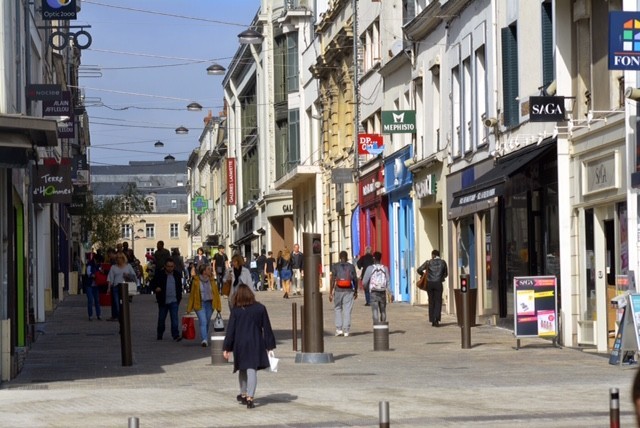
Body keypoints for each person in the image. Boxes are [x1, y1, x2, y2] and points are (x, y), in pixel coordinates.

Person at [222, 283, 276, 409]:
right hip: (256, 342)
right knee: (252, 369)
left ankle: (243, 393)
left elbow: (231, 331)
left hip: (240, 343)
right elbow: (267, 328)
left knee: (242, 368)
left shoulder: (236, 311)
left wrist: (227, 348)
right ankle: (250, 397)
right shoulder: (260, 308)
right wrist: (269, 346)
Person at [187, 264, 222, 347]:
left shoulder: (212, 280)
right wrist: (189, 308)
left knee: (207, 321)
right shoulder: (196, 281)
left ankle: (204, 337)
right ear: (204, 271)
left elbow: (216, 294)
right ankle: (204, 339)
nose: (211, 270)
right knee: (203, 321)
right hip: (200, 304)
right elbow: (192, 295)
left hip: (210, 304)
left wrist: (218, 306)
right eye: (209, 269)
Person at [151, 257, 184, 341]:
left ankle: (175, 335)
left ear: (174, 266)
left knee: (175, 319)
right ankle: (160, 334)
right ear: (165, 266)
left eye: (172, 266)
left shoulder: (177, 275)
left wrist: (179, 298)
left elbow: (179, 287)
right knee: (161, 319)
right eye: (168, 266)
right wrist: (156, 288)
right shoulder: (160, 274)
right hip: (163, 301)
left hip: (174, 300)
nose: (170, 268)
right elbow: (152, 283)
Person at [417, 249, 449, 327]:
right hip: (438, 283)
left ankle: (432, 319)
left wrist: (423, 274)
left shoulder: (428, 262)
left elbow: (419, 269)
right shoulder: (443, 262)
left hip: (430, 283)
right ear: (439, 255)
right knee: (438, 301)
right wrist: (440, 277)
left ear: (433, 255)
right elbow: (446, 274)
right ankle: (436, 319)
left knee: (431, 301)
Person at [329, 250, 358, 337]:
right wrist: (355, 291)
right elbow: (355, 279)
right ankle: (346, 330)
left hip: (338, 290)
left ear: (339, 257)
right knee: (347, 310)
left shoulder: (335, 266)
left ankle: (339, 329)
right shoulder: (351, 266)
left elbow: (333, 279)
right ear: (347, 257)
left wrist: (330, 292)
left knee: (338, 308)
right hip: (349, 290)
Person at [106, 251, 137, 321]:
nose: (118, 259)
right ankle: (120, 316)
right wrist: (108, 288)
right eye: (117, 258)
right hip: (116, 287)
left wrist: (128, 275)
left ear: (123, 258)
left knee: (124, 303)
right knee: (117, 303)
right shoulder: (113, 267)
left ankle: (123, 316)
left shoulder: (128, 266)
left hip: (125, 288)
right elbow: (110, 278)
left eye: (120, 258)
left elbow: (134, 276)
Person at [362, 251, 390, 324]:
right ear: (380, 259)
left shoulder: (370, 268)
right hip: (382, 291)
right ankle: (383, 325)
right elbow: (388, 281)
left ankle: (376, 327)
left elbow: (364, 281)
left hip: (374, 292)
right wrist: (390, 292)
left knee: (375, 310)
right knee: (383, 310)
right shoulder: (385, 268)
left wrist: (366, 287)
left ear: (373, 258)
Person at [84, 252, 101, 321]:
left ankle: (98, 315)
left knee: (97, 300)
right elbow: (88, 273)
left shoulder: (98, 265)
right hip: (89, 284)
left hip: (96, 285)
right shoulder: (90, 265)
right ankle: (90, 315)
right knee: (90, 300)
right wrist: (93, 275)